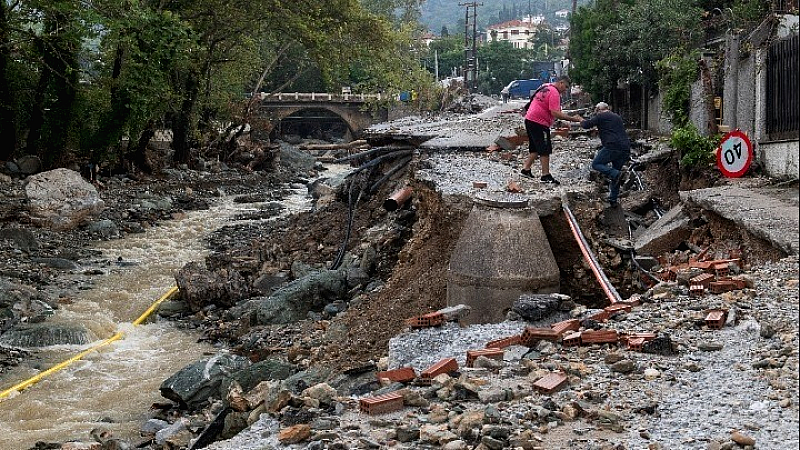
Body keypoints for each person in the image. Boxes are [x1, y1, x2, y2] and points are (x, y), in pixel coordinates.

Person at [520, 75, 583, 185]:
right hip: (539, 122)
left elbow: (539, 101)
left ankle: (526, 169)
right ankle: (545, 175)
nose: (566, 90)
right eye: (566, 86)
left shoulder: (545, 86)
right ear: (561, 83)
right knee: (545, 148)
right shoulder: (554, 93)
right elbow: (555, 113)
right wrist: (573, 119)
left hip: (530, 119)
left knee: (535, 147)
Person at [580, 102, 631, 207]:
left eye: (596, 109)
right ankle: (613, 200)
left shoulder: (601, 115)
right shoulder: (616, 116)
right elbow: (612, 129)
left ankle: (616, 174)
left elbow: (586, 125)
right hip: (625, 148)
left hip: (612, 147)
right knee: (615, 176)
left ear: (599, 109)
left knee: (596, 164)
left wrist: (579, 119)